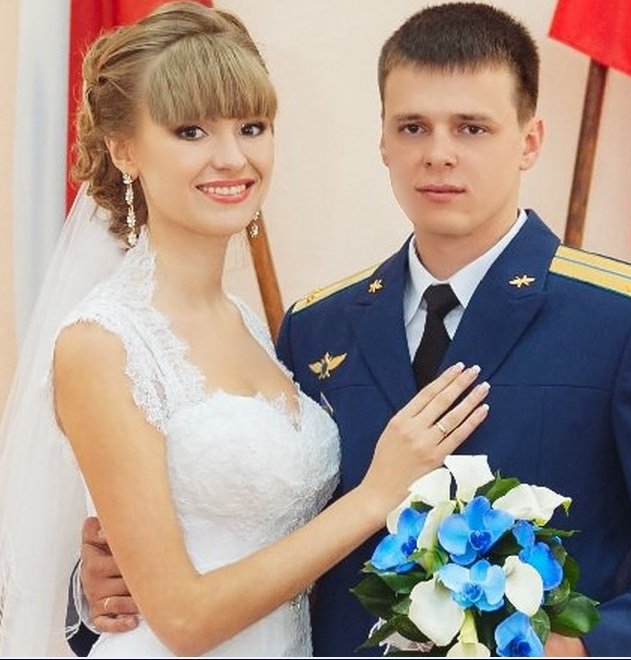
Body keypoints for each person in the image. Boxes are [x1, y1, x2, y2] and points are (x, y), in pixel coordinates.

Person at [78, 1, 631, 657]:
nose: (438, 155)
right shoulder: (315, 328)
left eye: (471, 128)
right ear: (382, 141)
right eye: (412, 127)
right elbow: (258, 523)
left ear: (529, 140)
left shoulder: (629, 319)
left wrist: (577, 648)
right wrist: (105, 585)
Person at [0, 2, 492, 657]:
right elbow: (181, 617)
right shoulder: (101, 342)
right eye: (191, 131)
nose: (232, 158)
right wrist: (375, 495)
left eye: (251, 127)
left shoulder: (257, 328)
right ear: (123, 149)